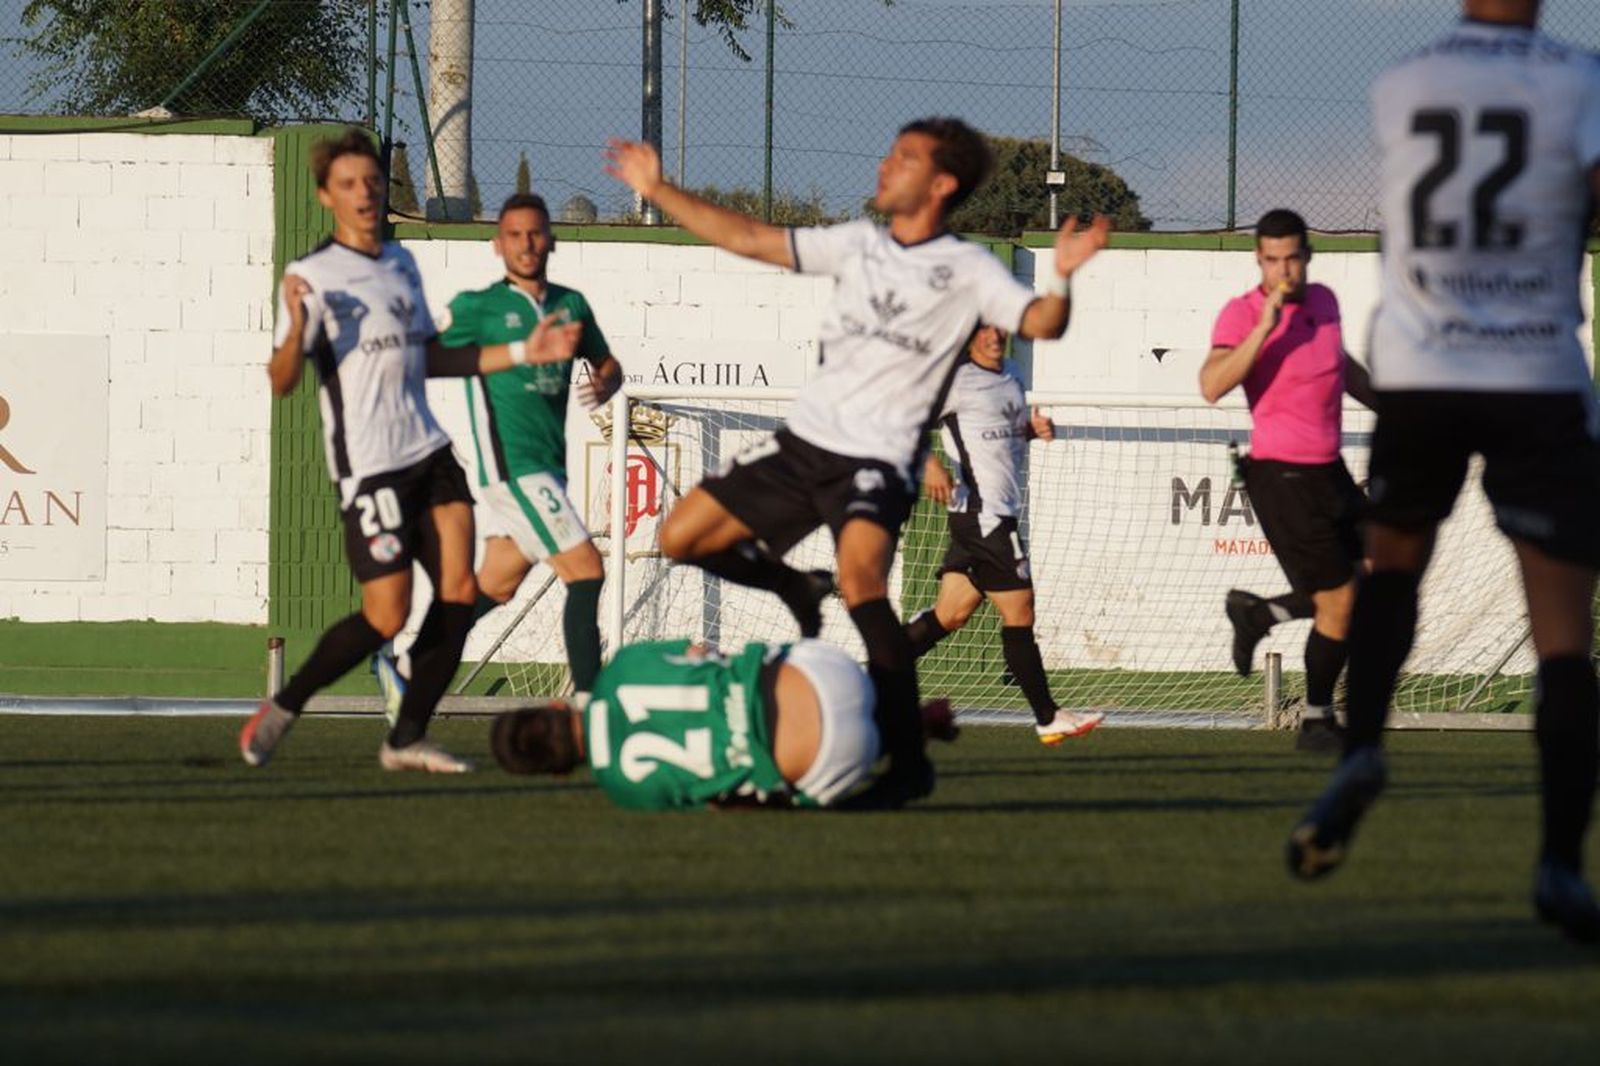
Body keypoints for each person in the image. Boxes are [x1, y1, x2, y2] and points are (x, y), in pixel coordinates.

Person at [605, 117, 1110, 807]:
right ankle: (791, 586)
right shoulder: (858, 244)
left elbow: (1043, 322)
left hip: (878, 460)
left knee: (863, 584)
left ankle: (908, 768)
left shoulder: (968, 270)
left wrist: (1065, 276)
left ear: (941, 183)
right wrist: (658, 188)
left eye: (903, 158)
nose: (884, 165)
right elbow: (750, 238)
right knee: (679, 538)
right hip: (803, 446)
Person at [1287, 0, 1600, 945]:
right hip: (1535, 372)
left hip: (1423, 369)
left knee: (1393, 569)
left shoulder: (1404, 82)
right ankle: (1557, 864)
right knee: (1564, 632)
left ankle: (1364, 747)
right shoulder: (1581, 80)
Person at [239, 129, 581, 773]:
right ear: (325, 197)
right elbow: (282, 381)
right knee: (386, 614)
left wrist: (521, 351)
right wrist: (296, 327)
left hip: (430, 453)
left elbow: (430, 357)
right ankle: (286, 704)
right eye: (348, 184)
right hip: (371, 469)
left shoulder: (401, 263)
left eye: (372, 180)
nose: (365, 193)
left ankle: (406, 738)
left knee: (458, 593)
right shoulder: (311, 276)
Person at [371, 193, 623, 717]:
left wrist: (605, 381)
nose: (526, 244)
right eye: (514, 235)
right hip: (513, 470)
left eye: (535, 233)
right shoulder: (478, 307)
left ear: (551, 240)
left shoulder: (571, 305)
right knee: (586, 570)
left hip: (547, 468)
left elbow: (608, 363)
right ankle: (591, 712)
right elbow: (425, 355)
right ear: (497, 245)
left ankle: (407, 668)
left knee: (494, 587)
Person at [1200, 209, 1376, 753]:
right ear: (1259, 259)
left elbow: (1341, 367)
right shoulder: (1240, 314)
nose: (1283, 270)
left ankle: (1260, 614)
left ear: (1307, 256)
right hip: (1280, 475)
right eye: (1272, 260)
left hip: (1329, 470)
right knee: (1338, 600)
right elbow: (1212, 384)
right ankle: (1317, 720)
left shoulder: (1325, 302)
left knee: (1377, 577)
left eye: (1292, 259)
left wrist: (1393, 406)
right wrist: (1263, 328)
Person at [905, 324, 1105, 745]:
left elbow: (1004, 434)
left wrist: (1031, 429)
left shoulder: (1012, 373)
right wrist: (929, 463)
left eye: (999, 328)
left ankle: (877, 669)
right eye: (984, 330)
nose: (994, 336)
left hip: (986, 515)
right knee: (1020, 611)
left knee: (950, 614)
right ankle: (1048, 717)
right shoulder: (954, 378)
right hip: (985, 516)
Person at [490, 638, 956, 810]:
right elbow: (702, 653)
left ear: (558, 772)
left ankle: (901, 737)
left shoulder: (624, 789)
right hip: (830, 673)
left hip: (837, 762)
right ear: (556, 705)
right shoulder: (621, 667)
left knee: (754, 788)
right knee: (746, 665)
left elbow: (716, 800)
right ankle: (902, 713)